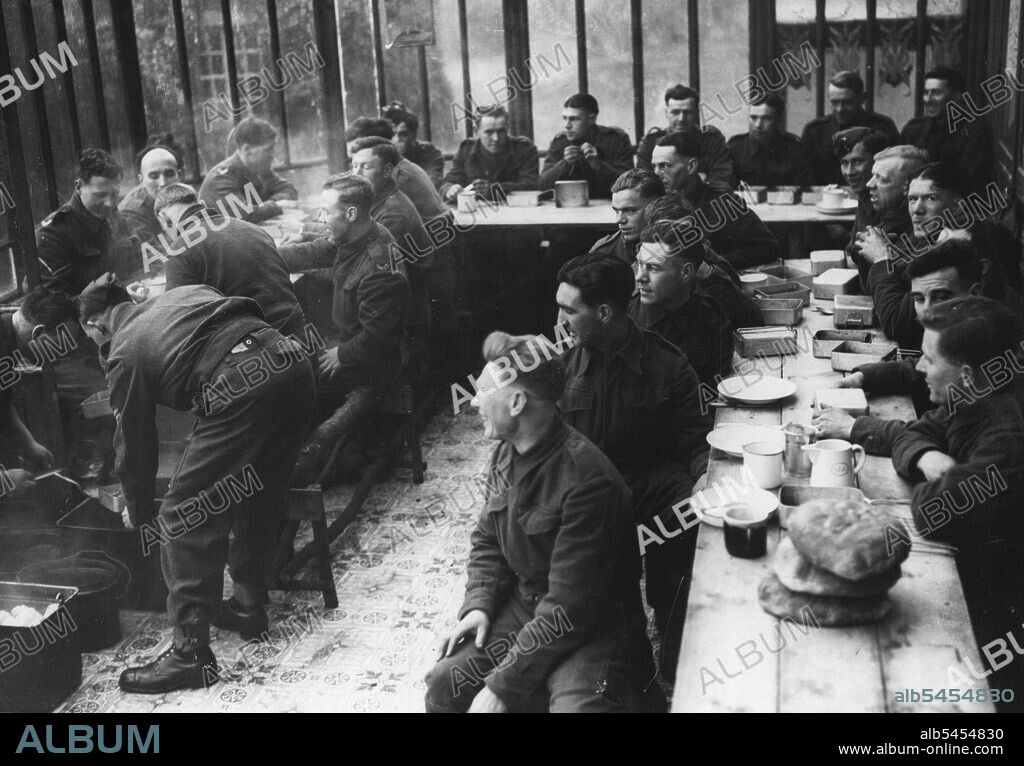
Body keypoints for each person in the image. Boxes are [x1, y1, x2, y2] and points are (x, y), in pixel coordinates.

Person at [73, 274, 315, 694]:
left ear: (96, 325)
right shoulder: (180, 297)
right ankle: (246, 605)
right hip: (291, 362)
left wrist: (143, 510)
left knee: (182, 512)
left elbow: (134, 445)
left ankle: (190, 655)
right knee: (256, 488)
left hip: (240, 383)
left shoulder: (123, 351)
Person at [424, 334, 652, 712]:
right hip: (528, 606)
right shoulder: (504, 454)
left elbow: (570, 607)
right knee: (445, 681)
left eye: (483, 392)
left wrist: (503, 686)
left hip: (594, 625)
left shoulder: (587, 482)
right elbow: (487, 540)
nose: (474, 402)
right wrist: (479, 603)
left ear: (516, 402)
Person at [554, 254, 713, 678]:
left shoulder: (670, 365)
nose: (560, 319)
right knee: (608, 618)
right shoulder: (559, 366)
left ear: (604, 313)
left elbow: (696, 441)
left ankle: (677, 662)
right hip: (588, 497)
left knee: (687, 529)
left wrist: (703, 479)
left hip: (650, 491)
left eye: (569, 310)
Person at [891, 296, 1024, 710]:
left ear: (966, 375)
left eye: (929, 359)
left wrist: (936, 472)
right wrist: (930, 458)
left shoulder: (1009, 438)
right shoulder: (976, 394)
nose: (918, 368)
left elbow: (933, 512)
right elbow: (913, 432)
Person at [813, 242, 986, 455]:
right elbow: (921, 367)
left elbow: (934, 433)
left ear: (975, 294)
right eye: (919, 299)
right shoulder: (966, 334)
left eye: (942, 297)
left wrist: (852, 427)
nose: (928, 311)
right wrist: (864, 377)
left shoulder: (995, 354)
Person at [278, 174, 410, 417]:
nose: (321, 218)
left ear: (350, 214)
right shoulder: (358, 234)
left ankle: (314, 449)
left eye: (326, 212)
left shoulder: (377, 268)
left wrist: (341, 354)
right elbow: (316, 251)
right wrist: (264, 255)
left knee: (288, 385)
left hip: (370, 360)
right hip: (350, 340)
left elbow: (379, 338)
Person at [152, 183, 306, 339]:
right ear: (202, 204)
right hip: (301, 339)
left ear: (164, 219)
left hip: (258, 351)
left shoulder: (179, 249)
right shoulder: (255, 229)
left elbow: (179, 322)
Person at [651, 131, 781, 270]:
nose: (657, 174)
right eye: (654, 166)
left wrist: (715, 263)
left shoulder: (722, 203)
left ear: (691, 166)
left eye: (665, 166)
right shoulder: (653, 202)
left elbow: (768, 248)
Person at [628, 220, 735, 387]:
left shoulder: (713, 323)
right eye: (640, 264)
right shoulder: (622, 317)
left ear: (686, 272)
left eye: (653, 268)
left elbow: (710, 394)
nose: (639, 277)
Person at [349, 137, 432, 344]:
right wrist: (307, 233)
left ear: (387, 171)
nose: (356, 174)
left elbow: (359, 266)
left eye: (365, 167)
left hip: (401, 321)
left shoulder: (393, 215)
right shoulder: (375, 200)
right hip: (385, 304)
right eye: (354, 166)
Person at [637, 194, 763, 329]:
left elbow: (749, 319)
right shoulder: (640, 267)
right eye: (668, 233)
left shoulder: (713, 264)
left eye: (686, 233)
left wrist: (710, 277)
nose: (680, 241)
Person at [36, 149, 140, 293]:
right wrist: (119, 294)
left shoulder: (116, 218)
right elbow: (55, 303)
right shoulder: (52, 234)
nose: (110, 203)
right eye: (100, 195)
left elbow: (139, 264)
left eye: (115, 194)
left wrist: (135, 286)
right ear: (79, 187)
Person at [900, 66, 994, 197]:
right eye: (926, 93)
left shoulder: (975, 132)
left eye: (936, 93)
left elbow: (971, 182)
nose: (928, 99)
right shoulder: (913, 130)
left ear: (956, 97)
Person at [848, 145, 929, 293]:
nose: (869, 184)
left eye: (882, 179)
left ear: (908, 187)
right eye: (873, 175)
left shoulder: (921, 229)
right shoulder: (887, 212)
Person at [801, 71, 900, 186]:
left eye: (847, 102)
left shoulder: (883, 127)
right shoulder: (815, 131)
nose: (840, 109)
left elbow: (895, 171)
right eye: (834, 102)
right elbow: (805, 177)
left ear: (862, 98)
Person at [343, 117, 448, 221]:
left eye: (360, 153)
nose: (356, 172)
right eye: (353, 160)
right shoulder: (402, 165)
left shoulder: (395, 176)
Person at [198, 116, 297, 223]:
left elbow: (289, 190)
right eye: (268, 149)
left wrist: (265, 206)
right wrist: (275, 206)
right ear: (247, 150)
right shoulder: (220, 179)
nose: (273, 155)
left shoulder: (259, 169)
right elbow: (244, 216)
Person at [635, 83, 735, 189]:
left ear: (696, 112)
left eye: (687, 112)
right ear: (666, 113)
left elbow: (723, 178)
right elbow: (644, 182)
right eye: (675, 112)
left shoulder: (711, 140)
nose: (681, 119)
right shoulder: (650, 142)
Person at [538, 93, 634, 199]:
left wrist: (599, 166)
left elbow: (629, 184)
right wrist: (565, 164)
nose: (567, 125)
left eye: (574, 119)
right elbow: (542, 185)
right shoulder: (560, 142)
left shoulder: (616, 140)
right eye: (565, 118)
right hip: (569, 209)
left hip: (609, 207)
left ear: (592, 119)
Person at [440, 106, 539, 202]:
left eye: (501, 131)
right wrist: (450, 189)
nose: (495, 138)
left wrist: (494, 190)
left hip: (517, 212)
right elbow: (448, 182)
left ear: (507, 129)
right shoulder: (466, 150)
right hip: (477, 214)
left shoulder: (524, 149)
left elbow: (531, 185)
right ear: (476, 132)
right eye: (489, 132)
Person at [727, 94, 811, 187]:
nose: (758, 125)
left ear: (779, 120)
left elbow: (804, 193)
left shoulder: (795, 150)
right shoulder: (735, 148)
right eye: (753, 117)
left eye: (766, 118)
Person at [118, 134, 185, 249]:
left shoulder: (181, 196)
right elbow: (157, 260)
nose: (163, 182)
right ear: (141, 178)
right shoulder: (132, 213)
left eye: (169, 173)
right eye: (154, 175)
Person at [382, 101, 444, 189]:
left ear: (414, 135)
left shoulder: (429, 152)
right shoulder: (380, 154)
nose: (396, 140)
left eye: (403, 134)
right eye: (392, 134)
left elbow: (430, 186)